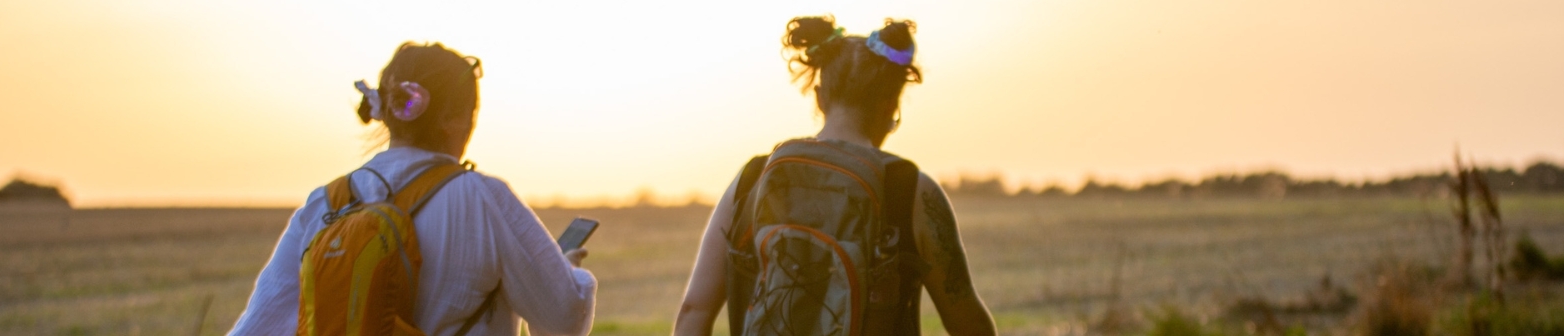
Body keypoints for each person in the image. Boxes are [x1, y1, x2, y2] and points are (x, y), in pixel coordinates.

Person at [228, 42, 595, 336]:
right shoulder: (484, 199)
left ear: (384, 112)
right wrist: (566, 271)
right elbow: (563, 319)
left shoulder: (324, 205)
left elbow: (259, 326)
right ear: (456, 120)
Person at [673, 16, 996, 336]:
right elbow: (967, 321)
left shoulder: (754, 178)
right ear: (890, 106)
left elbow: (694, 311)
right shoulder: (908, 189)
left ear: (820, 97)